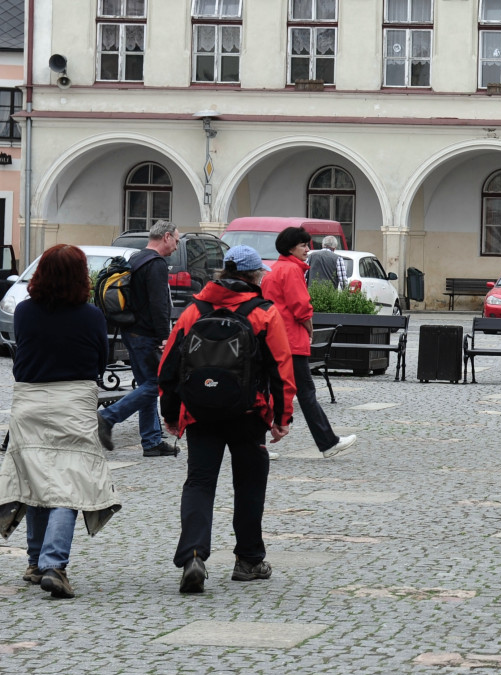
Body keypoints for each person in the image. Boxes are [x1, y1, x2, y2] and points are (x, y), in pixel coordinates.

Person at [159, 245, 297, 593]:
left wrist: (171, 414)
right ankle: (248, 560)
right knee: (249, 484)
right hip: (248, 413)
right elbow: (281, 368)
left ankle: (193, 556)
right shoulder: (264, 312)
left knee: (199, 483)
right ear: (255, 275)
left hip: (200, 412)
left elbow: (169, 365)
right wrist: (282, 417)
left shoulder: (195, 309)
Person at [0, 245, 122, 599]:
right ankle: (54, 565)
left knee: (36, 479)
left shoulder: (24, 311)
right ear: (81, 276)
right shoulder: (91, 316)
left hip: (30, 403)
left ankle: (36, 562)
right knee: (69, 483)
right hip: (73, 402)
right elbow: (101, 362)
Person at [262, 227, 356, 458]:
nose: (307, 249)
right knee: (305, 393)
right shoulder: (292, 270)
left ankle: (257, 443)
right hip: (291, 341)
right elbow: (301, 307)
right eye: (303, 245)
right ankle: (328, 442)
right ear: (290, 248)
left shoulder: (274, 270)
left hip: (274, 339)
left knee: (271, 390)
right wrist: (309, 329)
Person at [97, 219, 180, 457]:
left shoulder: (136, 258)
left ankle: (152, 441)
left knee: (146, 385)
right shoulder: (156, 264)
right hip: (146, 335)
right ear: (166, 237)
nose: (176, 246)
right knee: (156, 384)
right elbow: (159, 305)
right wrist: (164, 337)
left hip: (131, 332)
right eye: (176, 240)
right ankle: (107, 417)